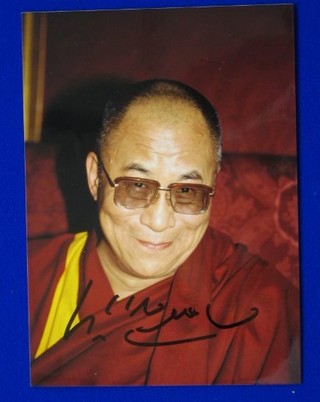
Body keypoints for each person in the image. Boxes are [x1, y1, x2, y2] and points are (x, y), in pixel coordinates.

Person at [28, 79, 300, 386]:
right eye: (137, 186)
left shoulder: (261, 306)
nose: (159, 221)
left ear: (213, 188)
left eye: (187, 190)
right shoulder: (26, 276)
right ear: (95, 178)